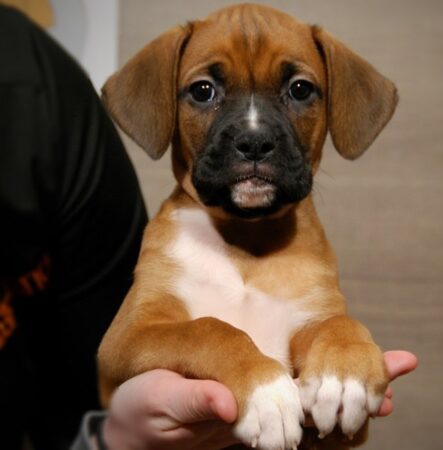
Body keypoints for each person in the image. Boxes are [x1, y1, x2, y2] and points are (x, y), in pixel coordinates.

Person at [0, 5, 417, 450]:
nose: (254, 134)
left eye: (298, 90)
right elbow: (120, 351)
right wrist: (224, 351)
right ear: (162, 102)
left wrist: (343, 362)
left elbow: (333, 416)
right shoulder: (170, 245)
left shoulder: (307, 251)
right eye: (203, 91)